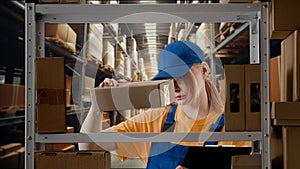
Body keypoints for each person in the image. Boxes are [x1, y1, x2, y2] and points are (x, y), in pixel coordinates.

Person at [79, 40, 250, 169]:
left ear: (204, 70)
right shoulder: (155, 121)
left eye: (181, 77)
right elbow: (88, 146)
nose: (174, 87)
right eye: (168, 80)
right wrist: (98, 105)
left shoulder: (234, 128)